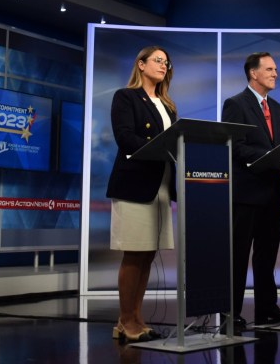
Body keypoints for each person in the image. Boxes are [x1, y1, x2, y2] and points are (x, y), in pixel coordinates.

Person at [106, 46, 176, 343]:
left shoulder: (169, 105)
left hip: (161, 185)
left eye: (166, 62)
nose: (163, 65)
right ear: (141, 64)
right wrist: (159, 148)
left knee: (148, 255)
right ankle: (124, 321)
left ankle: (136, 317)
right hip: (135, 185)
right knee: (134, 254)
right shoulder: (126, 97)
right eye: (157, 60)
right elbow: (124, 137)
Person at [221, 51, 280, 330]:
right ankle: (230, 312)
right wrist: (268, 156)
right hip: (246, 193)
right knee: (238, 255)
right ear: (253, 73)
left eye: (276, 69)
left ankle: (267, 309)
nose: (275, 73)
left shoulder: (277, 108)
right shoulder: (235, 104)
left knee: (267, 256)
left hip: (272, 193)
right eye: (270, 69)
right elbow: (235, 146)